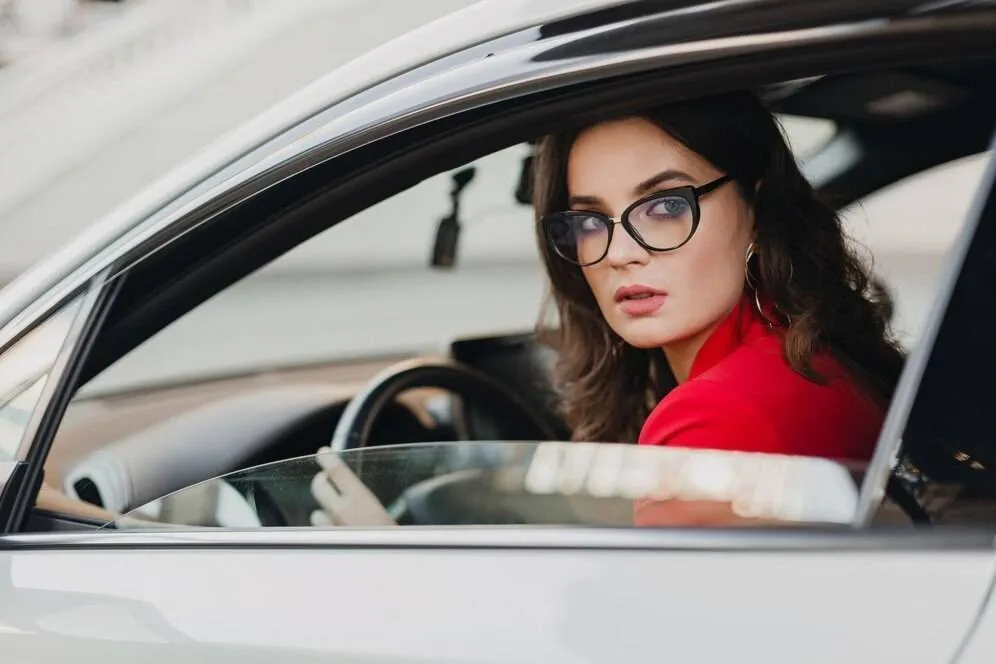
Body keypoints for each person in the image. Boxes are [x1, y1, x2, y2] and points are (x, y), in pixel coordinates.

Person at [532, 91, 905, 461]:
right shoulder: (812, 360)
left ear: (757, 210)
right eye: (589, 221)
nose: (619, 254)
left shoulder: (710, 418)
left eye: (666, 206)